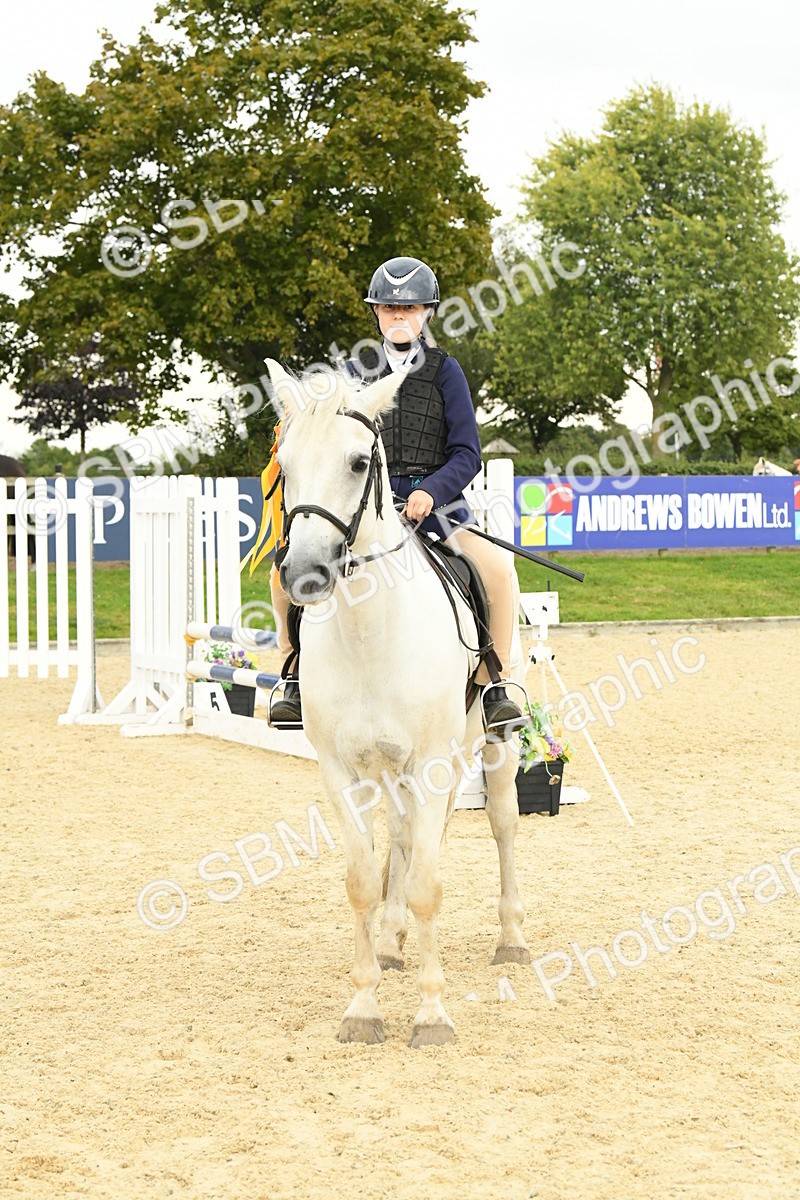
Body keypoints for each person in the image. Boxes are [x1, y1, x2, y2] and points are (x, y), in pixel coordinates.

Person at [269, 255, 524, 739]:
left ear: (427, 312)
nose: (399, 316)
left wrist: (431, 490)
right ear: (377, 313)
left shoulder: (446, 372)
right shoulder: (351, 374)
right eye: (389, 308)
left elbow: (467, 453)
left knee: (496, 570)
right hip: (363, 508)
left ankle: (496, 684)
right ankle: (294, 676)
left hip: (439, 509)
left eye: (409, 308)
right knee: (284, 578)